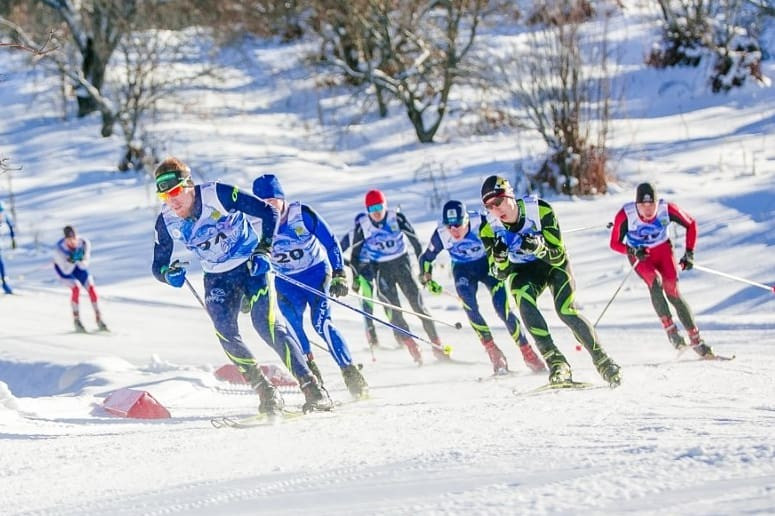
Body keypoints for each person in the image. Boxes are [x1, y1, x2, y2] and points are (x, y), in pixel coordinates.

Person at [151, 157, 330, 414]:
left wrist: (264, 250)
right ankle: (266, 393)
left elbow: (268, 212)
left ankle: (313, 388)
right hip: (217, 277)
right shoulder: (166, 221)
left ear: (189, 185)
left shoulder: (218, 194)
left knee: (265, 325)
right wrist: (169, 275)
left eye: (177, 191)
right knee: (225, 332)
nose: (172, 200)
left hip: (249, 267)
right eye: (164, 196)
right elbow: (157, 265)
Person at [479, 175, 621, 387]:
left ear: (510, 196)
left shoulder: (540, 210)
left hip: (553, 266)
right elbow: (501, 273)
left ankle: (603, 361)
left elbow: (559, 256)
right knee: (522, 298)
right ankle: (557, 364)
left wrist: (539, 248)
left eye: (498, 202)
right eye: (489, 206)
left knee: (565, 310)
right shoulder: (488, 228)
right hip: (524, 271)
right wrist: (500, 259)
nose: (495, 209)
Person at [252, 174, 368, 398]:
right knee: (293, 328)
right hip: (287, 282)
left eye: (272, 202)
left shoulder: (301, 214)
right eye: (262, 204)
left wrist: (339, 274)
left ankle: (351, 373)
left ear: (281, 198)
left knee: (321, 323)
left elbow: (331, 242)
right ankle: (312, 379)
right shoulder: (255, 224)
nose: (268, 208)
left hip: (315, 274)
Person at [419, 200, 546, 375]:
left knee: (503, 309)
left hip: (488, 265)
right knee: (470, 306)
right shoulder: (441, 234)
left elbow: (506, 236)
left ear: (466, 219)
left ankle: (527, 352)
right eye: (450, 226)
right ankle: (494, 353)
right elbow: (426, 258)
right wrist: (427, 279)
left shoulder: (482, 221)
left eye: (458, 225)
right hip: (463, 269)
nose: (454, 230)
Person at [609, 182, 714, 358]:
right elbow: (614, 243)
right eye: (643, 205)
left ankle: (696, 340)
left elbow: (691, 224)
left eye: (652, 205)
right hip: (641, 255)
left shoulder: (667, 209)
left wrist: (689, 253)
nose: (648, 210)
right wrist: (633, 250)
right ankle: (672, 332)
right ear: (637, 205)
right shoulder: (626, 214)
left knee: (672, 289)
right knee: (654, 282)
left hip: (662, 250)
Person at [349, 189, 449, 365]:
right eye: (372, 209)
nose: (377, 212)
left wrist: (422, 270)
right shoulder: (363, 225)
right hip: (381, 269)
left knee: (418, 306)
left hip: (401, 265)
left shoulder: (396, 217)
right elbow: (355, 255)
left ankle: (437, 346)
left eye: (379, 207)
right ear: (367, 210)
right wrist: (356, 278)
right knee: (393, 310)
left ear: (385, 205)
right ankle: (412, 346)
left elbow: (416, 243)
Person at [53, 225, 109, 332]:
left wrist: (78, 259)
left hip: (78, 267)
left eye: (73, 239)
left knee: (91, 287)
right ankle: (77, 320)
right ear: (65, 239)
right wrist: (71, 261)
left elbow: (85, 265)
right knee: (76, 288)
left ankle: (99, 318)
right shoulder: (59, 249)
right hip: (64, 270)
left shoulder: (84, 243)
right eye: (69, 240)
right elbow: (66, 271)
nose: (72, 242)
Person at [0, 201, 16, 294]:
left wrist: (13, 238)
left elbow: (10, 225)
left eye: (1, 213)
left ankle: (5, 283)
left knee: (1, 262)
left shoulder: (4, 216)